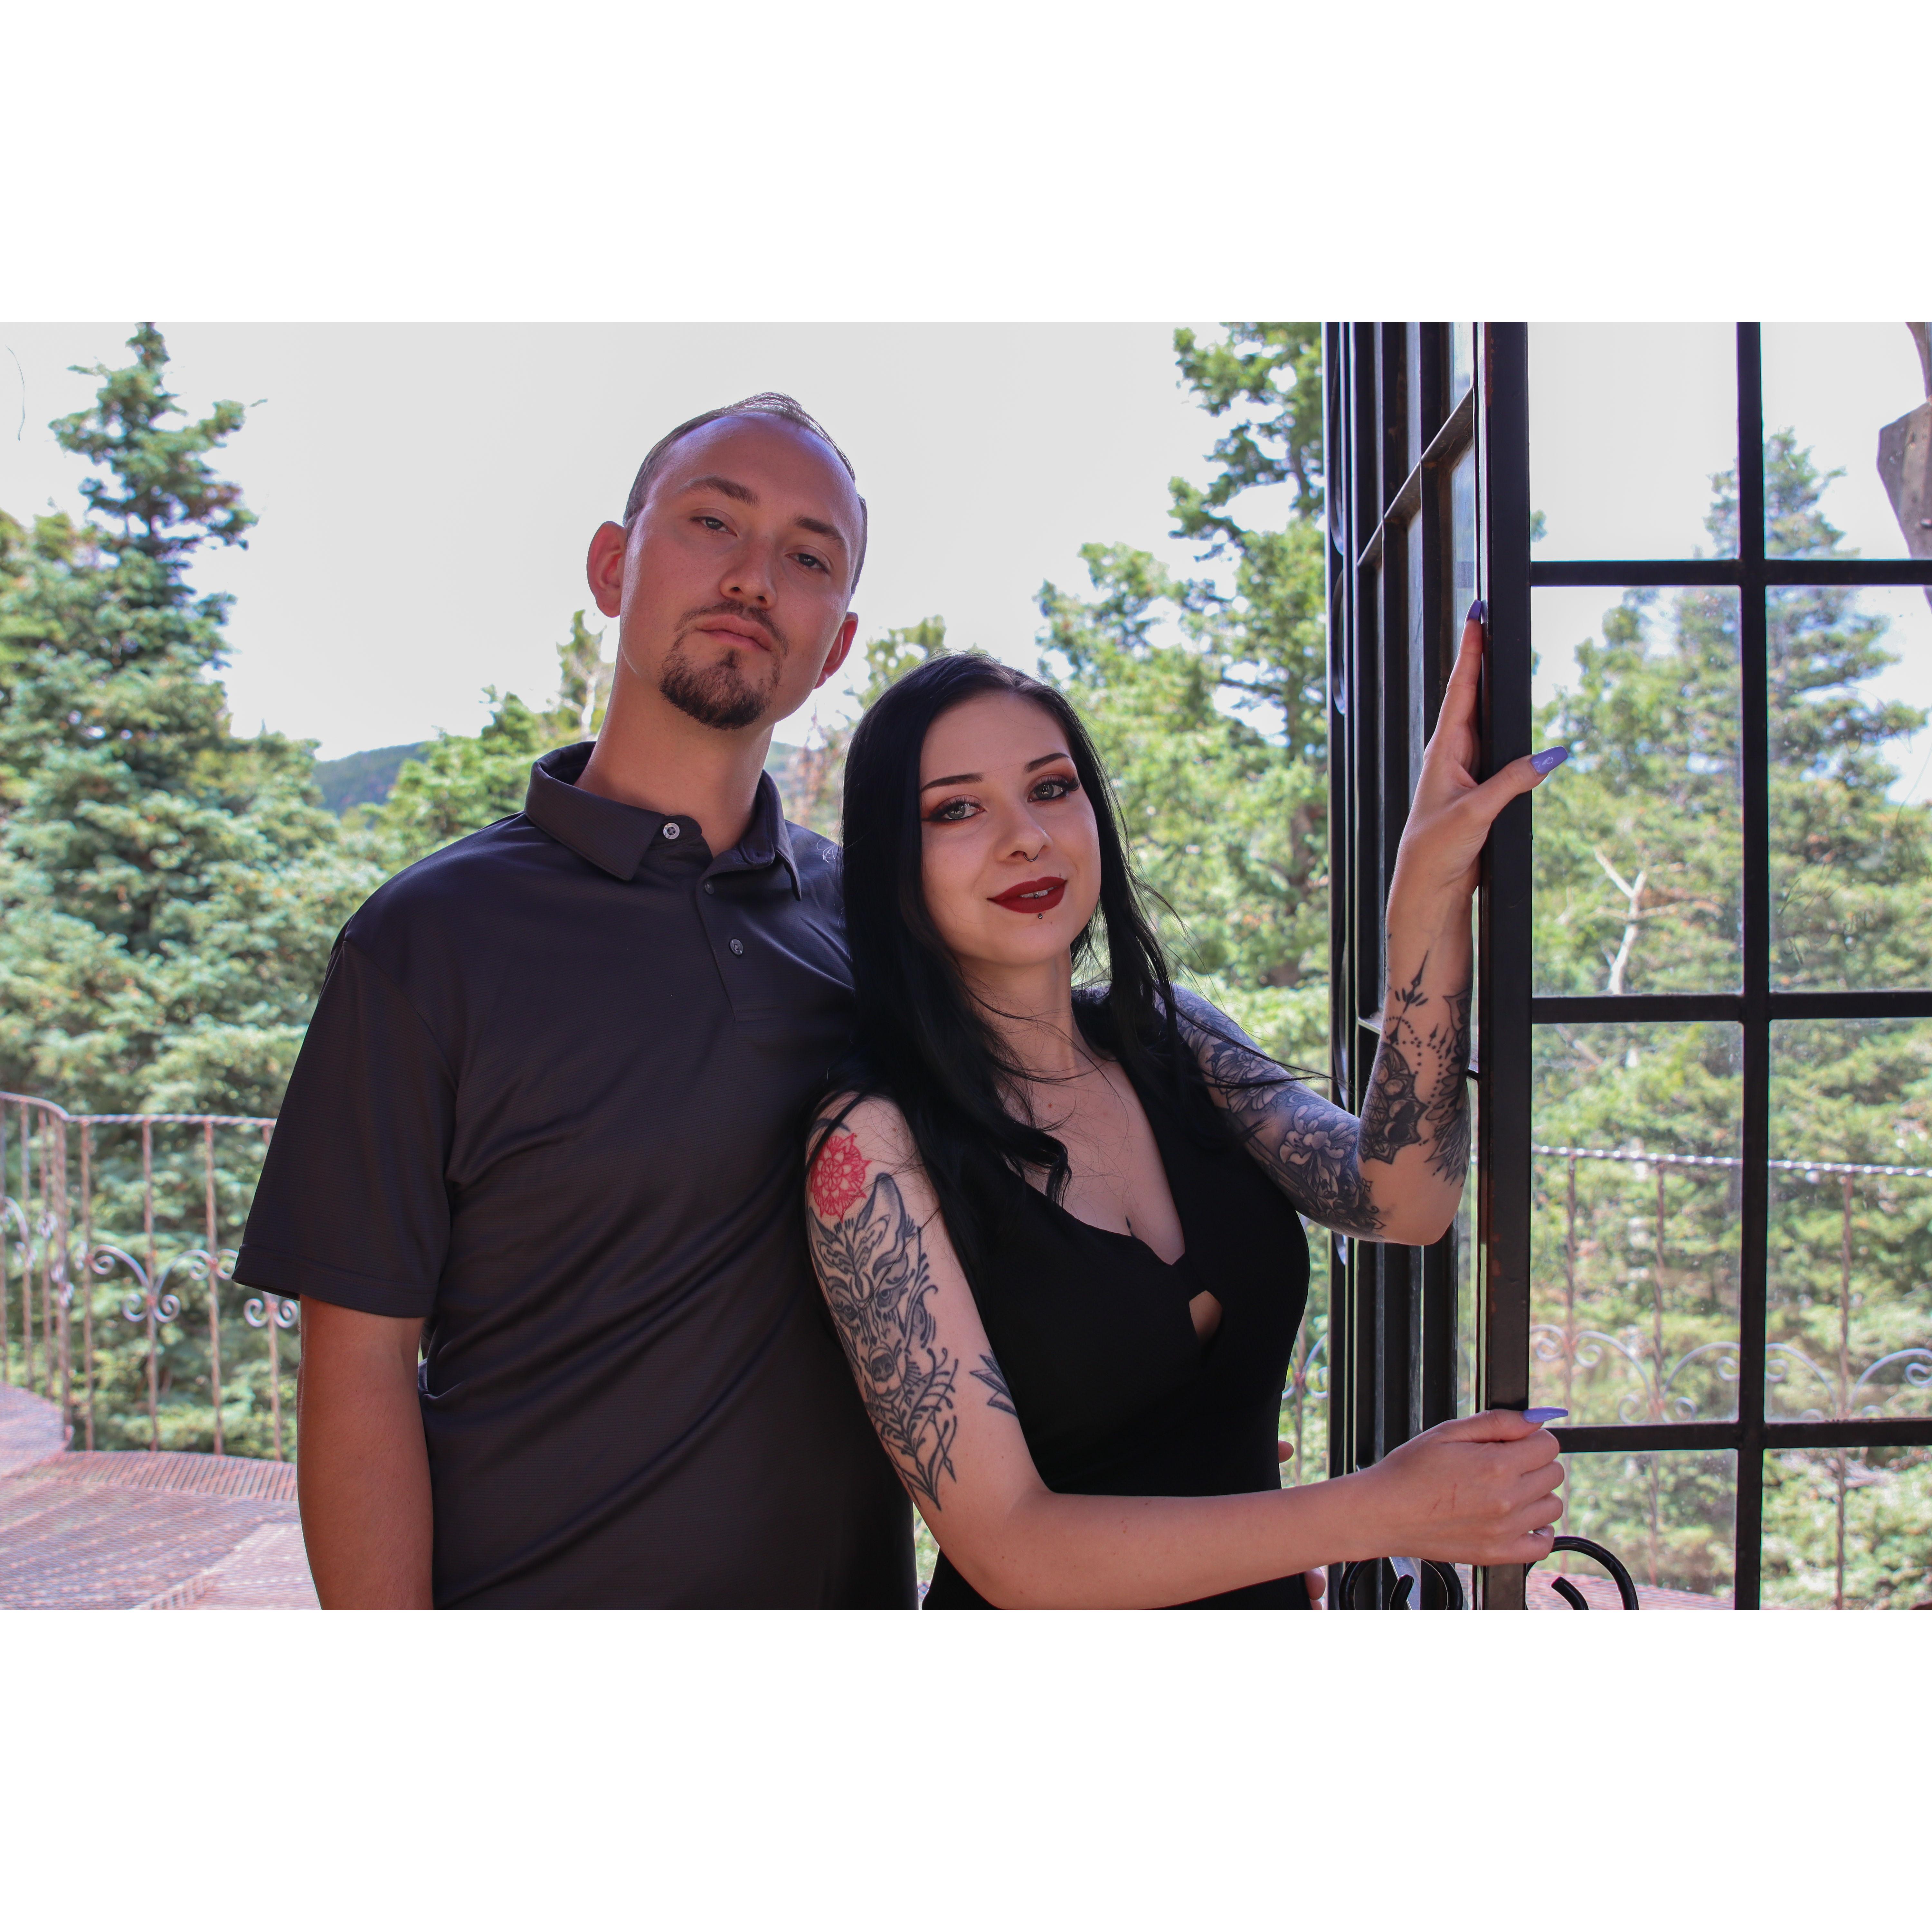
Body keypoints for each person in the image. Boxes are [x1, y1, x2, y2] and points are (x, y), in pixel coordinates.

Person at [236, 394, 913, 1608]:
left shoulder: (884, 933)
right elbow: (361, 1373)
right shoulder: (428, 939)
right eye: (713, 522)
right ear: (612, 567)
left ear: (837, 644)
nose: (754, 577)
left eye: (809, 558)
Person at [805, 615, 1572, 1607]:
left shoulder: (1176, 1041)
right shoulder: (870, 1147)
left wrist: (1424, 892)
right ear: (890, 860)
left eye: (1052, 788)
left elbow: (1402, 1199)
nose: (1027, 836)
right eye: (956, 810)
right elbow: (1012, 1553)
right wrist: (1383, 1509)